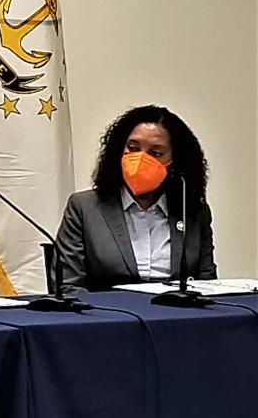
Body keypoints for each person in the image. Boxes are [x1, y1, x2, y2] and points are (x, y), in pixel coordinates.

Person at [55, 105, 216, 291]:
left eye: (156, 153)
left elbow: (207, 284)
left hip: (178, 315)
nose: (140, 159)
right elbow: (68, 287)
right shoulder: (84, 208)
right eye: (133, 148)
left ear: (175, 162)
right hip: (110, 315)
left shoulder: (193, 210)